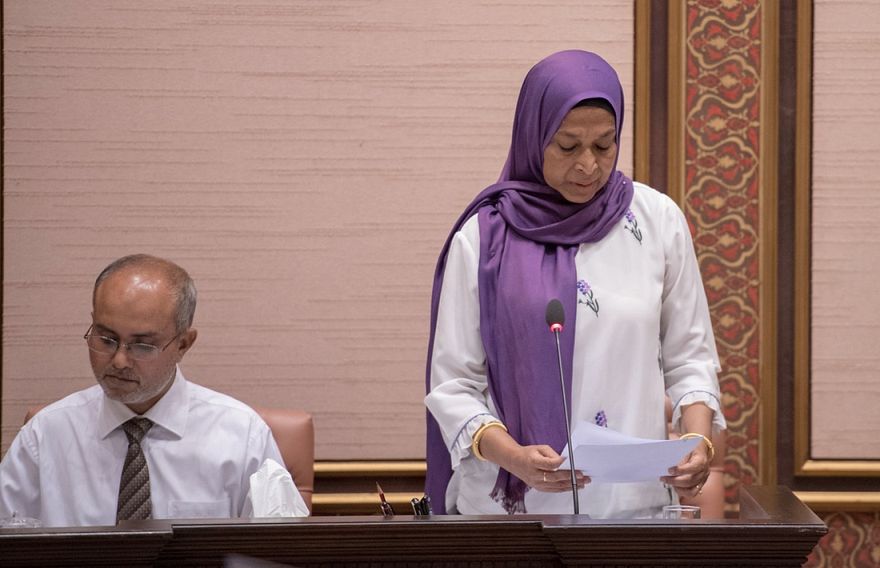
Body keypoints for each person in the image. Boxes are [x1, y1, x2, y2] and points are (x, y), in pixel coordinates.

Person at [424, 50, 726, 518]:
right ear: (533, 137)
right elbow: (454, 384)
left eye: (604, 146)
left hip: (631, 504)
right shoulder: (484, 237)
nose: (588, 165)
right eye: (568, 147)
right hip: (512, 512)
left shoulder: (657, 221)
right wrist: (514, 458)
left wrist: (698, 441)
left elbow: (691, 357)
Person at [0, 254, 288, 527]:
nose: (119, 361)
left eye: (142, 345)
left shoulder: (243, 437)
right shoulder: (45, 436)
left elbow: (277, 549)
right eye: (106, 338)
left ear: (184, 344)